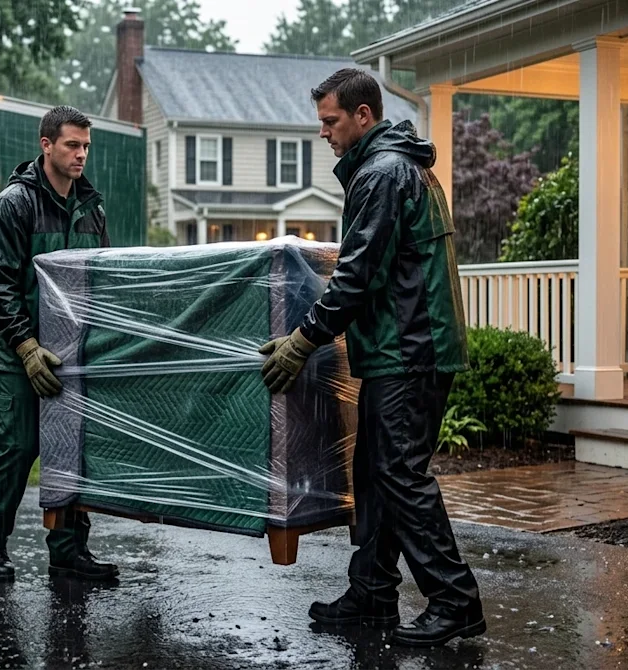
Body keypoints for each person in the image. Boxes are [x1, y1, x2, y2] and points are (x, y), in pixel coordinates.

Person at [258, 68, 485, 648]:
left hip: (409, 350)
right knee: (377, 476)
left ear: (363, 116)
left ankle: (454, 599)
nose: (324, 133)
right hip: (404, 347)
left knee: (399, 475)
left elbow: (358, 274)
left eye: (331, 121)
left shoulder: (383, 173)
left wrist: (303, 339)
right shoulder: (395, 166)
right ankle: (373, 591)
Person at [0, 105, 120, 583]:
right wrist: (27, 347)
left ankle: (69, 550)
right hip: (21, 355)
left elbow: (100, 278)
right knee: (17, 448)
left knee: (72, 450)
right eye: (72, 145)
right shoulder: (14, 204)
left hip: (74, 354)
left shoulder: (90, 206)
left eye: (87, 147)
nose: (81, 155)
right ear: (46, 145)